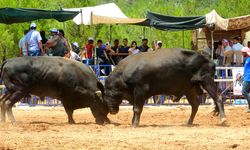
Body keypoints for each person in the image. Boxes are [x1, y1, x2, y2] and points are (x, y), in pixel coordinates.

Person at [241, 47, 250, 113]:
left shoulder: (249, 59)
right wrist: (242, 75)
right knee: (246, 92)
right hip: (246, 77)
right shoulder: (247, 59)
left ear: (246, 53)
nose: (242, 53)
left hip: (248, 78)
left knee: (244, 92)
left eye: (243, 52)